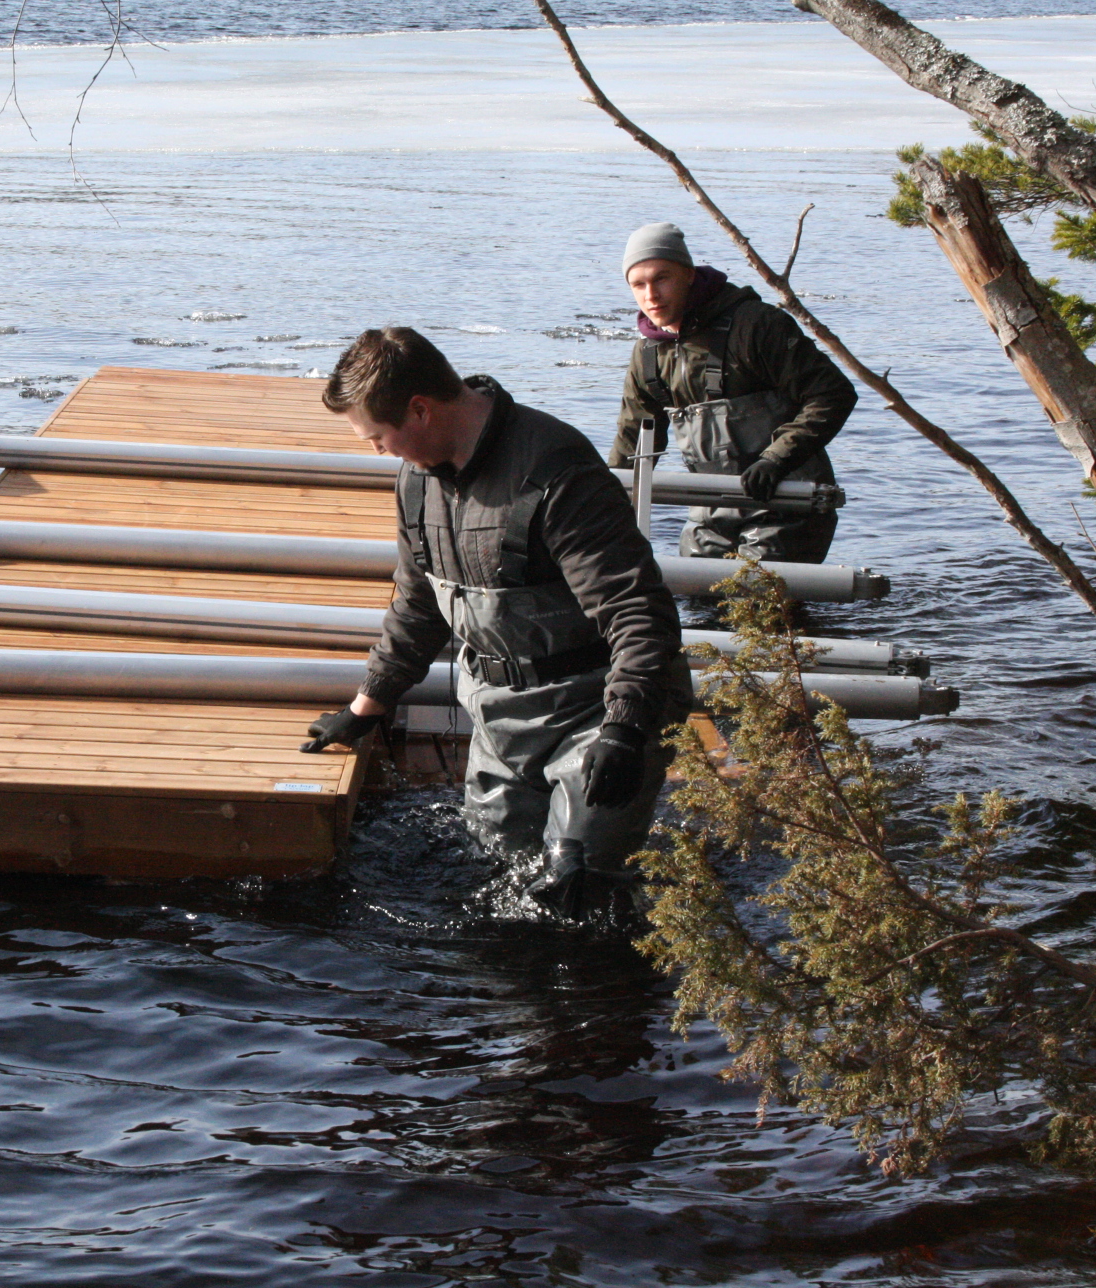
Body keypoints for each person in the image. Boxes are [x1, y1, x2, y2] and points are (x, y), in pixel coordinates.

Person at [301, 327, 692, 919]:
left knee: (578, 887)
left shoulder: (555, 469)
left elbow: (638, 613)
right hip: (499, 716)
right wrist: (365, 709)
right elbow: (417, 606)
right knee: (501, 876)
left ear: (420, 410)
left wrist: (627, 727)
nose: (379, 452)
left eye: (379, 439)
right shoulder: (416, 484)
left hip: (595, 712)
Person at [608, 221, 856, 563]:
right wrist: (603, 505)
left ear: (689, 274)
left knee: (757, 603)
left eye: (661, 278)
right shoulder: (648, 353)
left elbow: (833, 394)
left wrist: (775, 458)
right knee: (694, 604)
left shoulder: (756, 325)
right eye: (639, 284)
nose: (651, 295)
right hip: (710, 510)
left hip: (786, 502)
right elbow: (633, 440)